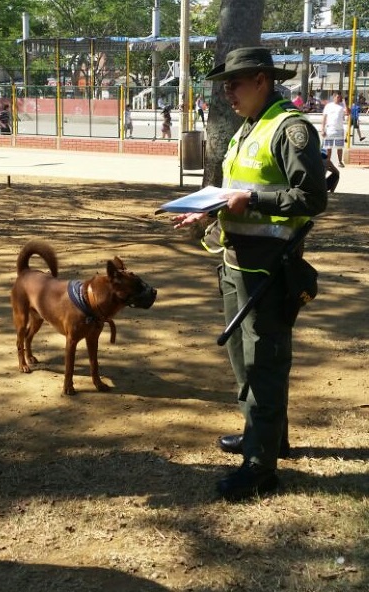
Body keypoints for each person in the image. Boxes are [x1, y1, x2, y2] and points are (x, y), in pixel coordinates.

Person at [172, 47, 327, 501]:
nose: (227, 92)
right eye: (224, 84)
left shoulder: (290, 129)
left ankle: (261, 467)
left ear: (261, 80)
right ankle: (266, 437)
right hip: (236, 261)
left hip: (270, 270)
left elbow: (311, 198)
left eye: (234, 83)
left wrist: (251, 203)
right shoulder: (249, 128)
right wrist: (206, 213)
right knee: (244, 360)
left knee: (265, 364)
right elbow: (235, 191)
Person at [322, 91, 346, 167]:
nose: (339, 98)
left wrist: (345, 103)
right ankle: (328, 162)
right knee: (329, 147)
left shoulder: (342, 105)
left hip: (339, 129)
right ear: (334, 97)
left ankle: (340, 161)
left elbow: (348, 112)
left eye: (340, 97)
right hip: (329, 129)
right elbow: (324, 118)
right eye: (337, 97)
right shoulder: (328, 106)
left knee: (339, 147)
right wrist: (322, 129)